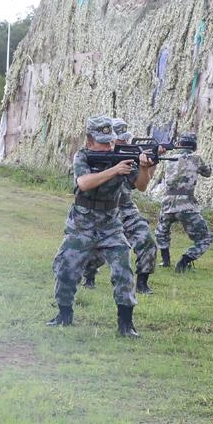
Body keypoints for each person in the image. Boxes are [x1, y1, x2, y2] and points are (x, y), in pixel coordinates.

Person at [47, 115, 151, 337]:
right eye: (103, 142)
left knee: (123, 271)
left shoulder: (121, 157)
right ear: (89, 141)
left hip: (111, 226)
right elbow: (84, 183)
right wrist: (114, 170)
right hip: (81, 225)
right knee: (66, 270)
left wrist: (144, 168)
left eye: (110, 141)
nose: (108, 147)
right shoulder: (82, 156)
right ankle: (64, 315)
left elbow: (141, 186)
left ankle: (126, 324)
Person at [82, 118, 159, 294]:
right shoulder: (94, 156)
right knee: (98, 250)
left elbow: (141, 185)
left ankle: (142, 283)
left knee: (146, 239)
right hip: (103, 210)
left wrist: (147, 166)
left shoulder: (128, 157)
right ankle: (89, 275)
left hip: (125, 208)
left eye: (126, 138)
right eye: (120, 139)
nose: (124, 142)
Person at [154, 133, 213, 272]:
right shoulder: (196, 159)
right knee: (205, 238)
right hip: (186, 205)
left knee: (162, 231)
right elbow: (207, 173)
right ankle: (185, 260)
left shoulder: (169, 159)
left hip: (167, 202)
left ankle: (165, 260)